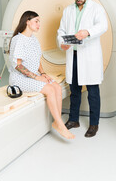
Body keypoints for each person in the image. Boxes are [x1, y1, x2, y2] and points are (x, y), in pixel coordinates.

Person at [9, 11, 75, 140]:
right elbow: (18, 65)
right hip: (19, 79)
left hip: (34, 75)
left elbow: (37, 59)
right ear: (27, 21)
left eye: (39, 21)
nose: (39, 24)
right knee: (50, 89)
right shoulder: (18, 39)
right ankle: (61, 125)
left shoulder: (33, 39)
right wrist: (36, 77)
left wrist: (43, 74)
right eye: (36, 21)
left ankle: (57, 121)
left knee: (56, 86)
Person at [57, 0, 108, 138]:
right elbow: (61, 30)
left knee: (93, 91)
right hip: (73, 54)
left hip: (89, 56)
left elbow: (103, 25)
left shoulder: (96, 9)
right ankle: (73, 120)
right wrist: (62, 43)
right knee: (75, 90)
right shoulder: (68, 10)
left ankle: (94, 124)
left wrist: (87, 32)